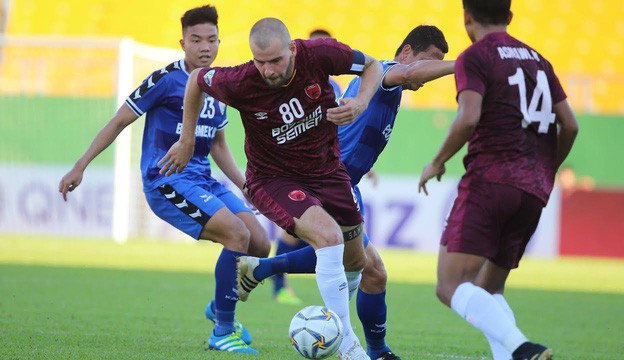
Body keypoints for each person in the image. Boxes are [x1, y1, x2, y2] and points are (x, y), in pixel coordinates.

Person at [160, 17, 383, 360]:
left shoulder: (321, 54)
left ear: (292, 48)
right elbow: (196, 81)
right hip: (272, 179)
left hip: (327, 170)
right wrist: (186, 139)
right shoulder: (241, 80)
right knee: (328, 238)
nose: (268, 70)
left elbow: (373, 66)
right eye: (260, 62)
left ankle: (260, 270)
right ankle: (348, 345)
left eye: (276, 61)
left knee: (357, 261)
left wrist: (362, 101)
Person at [58, 5, 270, 354]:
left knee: (260, 244)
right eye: (196, 40)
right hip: (167, 181)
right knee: (237, 234)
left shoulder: (219, 83)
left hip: (204, 179)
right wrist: (80, 165)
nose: (205, 46)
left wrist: (247, 186)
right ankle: (223, 330)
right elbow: (117, 122)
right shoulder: (164, 80)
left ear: (220, 42)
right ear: (182, 42)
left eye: (212, 40)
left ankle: (220, 305)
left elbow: (218, 143)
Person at [235, 25, 455, 360]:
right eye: (430, 62)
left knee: (367, 269)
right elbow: (410, 72)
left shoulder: (387, 89)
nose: (427, 77)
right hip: (324, 183)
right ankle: (354, 345)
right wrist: (464, 65)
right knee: (361, 264)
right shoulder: (385, 72)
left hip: (342, 182)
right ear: (407, 52)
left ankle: (264, 271)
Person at [417, 1, 579, 360]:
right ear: (510, 17)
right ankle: (514, 353)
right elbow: (570, 124)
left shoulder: (475, 56)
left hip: (490, 181)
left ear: (467, 17)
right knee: (489, 290)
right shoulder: (539, 60)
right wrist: (545, 168)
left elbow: (468, 116)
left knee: (449, 286)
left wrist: (437, 161)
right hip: (534, 189)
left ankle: (522, 348)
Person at [269, 27, 345, 306]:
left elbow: (336, 130)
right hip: (291, 168)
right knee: (295, 231)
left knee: (330, 235)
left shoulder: (334, 88)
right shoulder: (286, 81)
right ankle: (278, 285)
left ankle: (269, 273)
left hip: (325, 167)